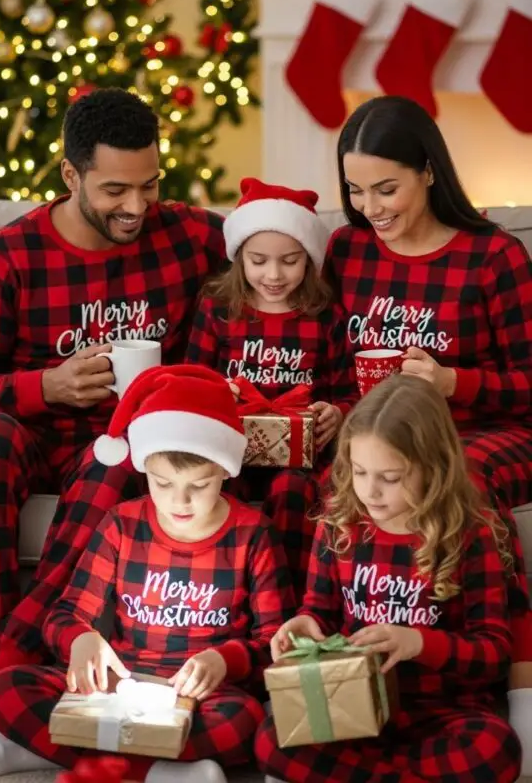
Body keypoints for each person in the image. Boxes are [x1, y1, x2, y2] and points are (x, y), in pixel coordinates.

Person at [0, 89, 225, 700]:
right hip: (32, 431)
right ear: (71, 174)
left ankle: (5, 675)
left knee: (125, 451)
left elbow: (278, 252)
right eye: (115, 191)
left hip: (124, 440)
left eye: (149, 185)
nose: (137, 206)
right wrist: (43, 385)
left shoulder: (187, 235)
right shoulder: (9, 256)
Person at [323, 94, 532, 770]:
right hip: (376, 438)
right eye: (356, 191)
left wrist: (453, 384)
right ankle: (326, 670)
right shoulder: (348, 250)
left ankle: (519, 685)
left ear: (429, 173)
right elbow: (329, 359)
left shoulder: (492, 257)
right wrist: (329, 412)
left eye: (387, 188)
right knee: (311, 481)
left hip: (486, 431)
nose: (371, 207)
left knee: (456, 480)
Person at [0, 366, 294, 783]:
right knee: (7, 691)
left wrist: (225, 659)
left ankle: (57, 754)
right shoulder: (121, 524)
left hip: (201, 695)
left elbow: (275, 639)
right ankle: (154, 772)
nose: (179, 502)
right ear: (144, 467)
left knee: (246, 723)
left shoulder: (253, 533)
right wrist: (81, 638)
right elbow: (64, 614)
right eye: (162, 483)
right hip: (122, 683)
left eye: (198, 486)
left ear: (225, 471)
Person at [256, 375, 522, 783]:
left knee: (495, 749)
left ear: (434, 468)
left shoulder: (470, 533)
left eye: (391, 478)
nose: (370, 492)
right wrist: (305, 627)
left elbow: (493, 653)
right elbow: (319, 611)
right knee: (271, 741)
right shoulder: (338, 525)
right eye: (359, 472)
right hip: (351, 703)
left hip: (442, 710)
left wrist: (417, 642)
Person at [185, 177, 353, 599]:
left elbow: (347, 391)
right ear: (239, 256)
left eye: (290, 261)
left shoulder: (324, 316)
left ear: (310, 260)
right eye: (259, 261)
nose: (274, 275)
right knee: (212, 488)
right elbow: (190, 383)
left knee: (294, 493)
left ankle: (292, 603)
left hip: (299, 458)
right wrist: (215, 394)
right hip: (230, 451)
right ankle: (221, 598)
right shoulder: (218, 310)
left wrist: (337, 413)